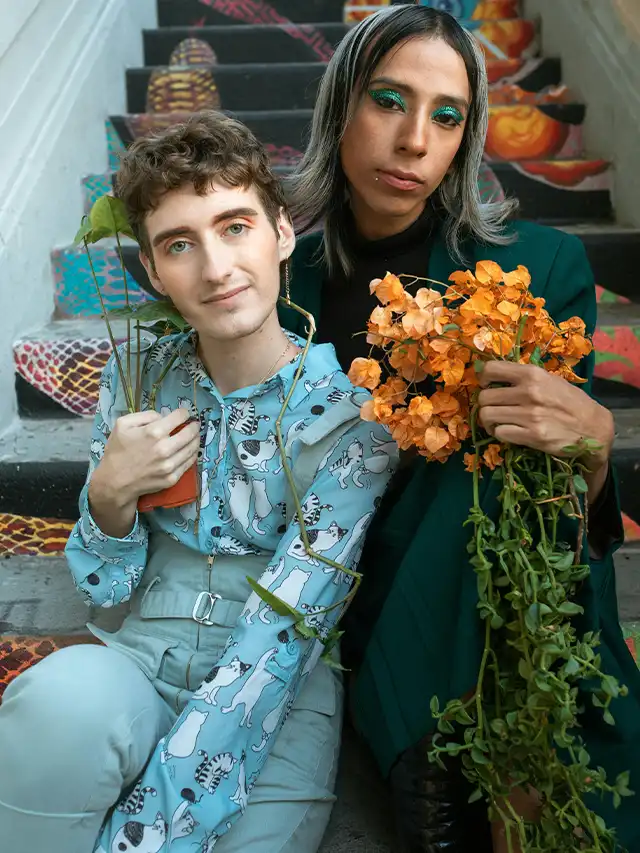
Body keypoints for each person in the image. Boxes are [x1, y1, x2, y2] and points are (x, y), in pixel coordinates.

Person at [280, 5, 639, 852]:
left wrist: (593, 453)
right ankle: (423, 738)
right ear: (340, 109)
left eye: (448, 116)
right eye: (388, 101)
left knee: (506, 445)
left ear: (467, 140)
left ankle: (426, 753)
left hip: (485, 586)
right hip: (333, 582)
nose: (413, 141)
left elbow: (561, 521)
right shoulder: (272, 278)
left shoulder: (538, 268)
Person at [0, 112, 398, 853]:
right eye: (180, 244)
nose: (215, 267)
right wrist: (111, 498)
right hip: (140, 661)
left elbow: (284, 639)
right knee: (57, 706)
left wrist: (141, 838)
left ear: (282, 232)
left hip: (275, 695)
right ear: (154, 271)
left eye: (235, 226)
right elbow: (106, 590)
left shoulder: (355, 423)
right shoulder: (138, 379)